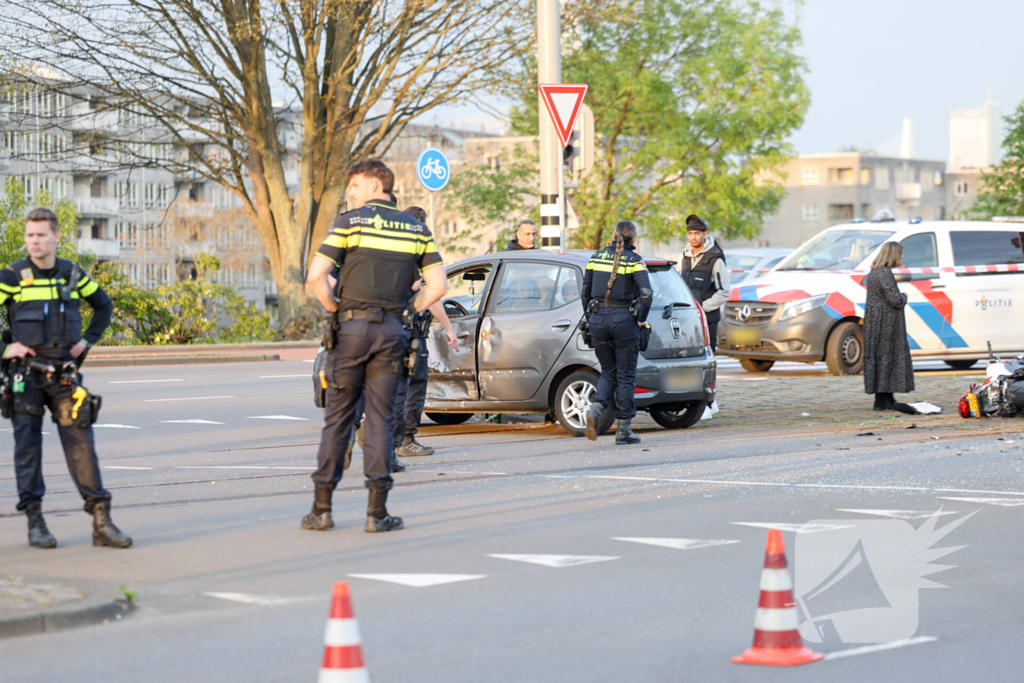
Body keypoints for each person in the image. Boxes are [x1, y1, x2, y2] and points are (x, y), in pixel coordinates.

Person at [305, 159, 446, 533]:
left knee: (338, 419)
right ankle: (377, 513)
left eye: (354, 185)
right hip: (390, 332)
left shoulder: (348, 224)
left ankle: (321, 510)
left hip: (349, 332)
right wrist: (404, 310)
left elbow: (316, 276)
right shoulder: (416, 229)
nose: (350, 192)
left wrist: (337, 308)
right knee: (382, 420)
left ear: (374, 185)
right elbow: (438, 286)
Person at [0, 208, 131, 549]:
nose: (35, 241)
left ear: (56, 236)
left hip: (65, 379)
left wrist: (87, 341)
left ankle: (102, 522)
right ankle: (36, 522)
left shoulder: (72, 273)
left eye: (41, 235)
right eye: (30, 235)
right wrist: (5, 348)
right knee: (27, 450)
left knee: (82, 447)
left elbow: (103, 305)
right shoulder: (12, 276)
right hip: (26, 378)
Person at [393, 206, 458, 459]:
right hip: (412, 333)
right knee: (415, 385)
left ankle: (388, 438)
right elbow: (432, 296)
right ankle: (406, 438)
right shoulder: (417, 252)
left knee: (394, 387)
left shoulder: (392, 250)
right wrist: (450, 328)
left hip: (389, 329)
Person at [581, 221, 653, 445]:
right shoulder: (635, 261)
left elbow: (585, 292)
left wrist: (591, 317)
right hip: (624, 323)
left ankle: (595, 409)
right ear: (634, 240)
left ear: (613, 236)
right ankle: (623, 431)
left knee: (608, 372)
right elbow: (647, 293)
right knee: (625, 376)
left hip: (599, 321)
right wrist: (641, 319)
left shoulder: (595, 257)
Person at [862, 242, 914, 411]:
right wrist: (904, 296)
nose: (902, 257)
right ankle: (882, 400)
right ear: (892, 255)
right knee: (886, 358)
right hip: (885, 323)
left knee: (882, 359)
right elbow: (895, 300)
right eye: (900, 254)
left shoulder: (876, 272)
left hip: (878, 322)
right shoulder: (884, 273)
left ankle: (887, 398)